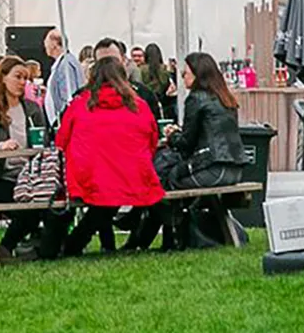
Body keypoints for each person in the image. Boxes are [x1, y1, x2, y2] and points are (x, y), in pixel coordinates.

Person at [53, 56, 163, 257]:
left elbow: (60, 140)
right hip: (134, 175)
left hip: (89, 177)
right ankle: (128, 242)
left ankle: (71, 246)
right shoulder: (139, 105)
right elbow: (153, 138)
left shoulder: (79, 104)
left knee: (103, 199)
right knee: (117, 196)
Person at [141, 52, 249, 249]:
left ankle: (169, 239)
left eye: (186, 73)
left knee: (166, 180)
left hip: (212, 169)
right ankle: (162, 238)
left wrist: (172, 134)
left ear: (199, 74)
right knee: (171, 178)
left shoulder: (196, 98)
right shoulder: (225, 97)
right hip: (234, 170)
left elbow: (186, 144)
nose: (182, 76)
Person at [0, 56, 50, 258]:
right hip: (2, 177)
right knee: (28, 210)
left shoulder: (32, 109)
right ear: (2, 77)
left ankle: (45, 247)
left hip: (32, 176)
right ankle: (6, 249)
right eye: (18, 77)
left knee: (52, 205)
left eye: (26, 78)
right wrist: (0, 146)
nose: (22, 83)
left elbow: (44, 140)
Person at [43, 28, 83, 126]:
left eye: (46, 42)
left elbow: (68, 95)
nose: (44, 46)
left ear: (54, 44)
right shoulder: (63, 63)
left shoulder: (66, 65)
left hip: (64, 121)